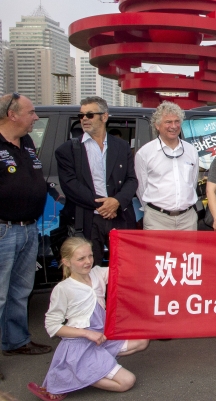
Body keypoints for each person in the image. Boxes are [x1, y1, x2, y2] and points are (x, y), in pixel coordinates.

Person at [27, 237, 149, 400]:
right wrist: (86, 333)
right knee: (127, 381)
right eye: (81, 258)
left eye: (90, 256)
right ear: (67, 262)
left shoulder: (97, 272)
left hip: (103, 338)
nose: (88, 262)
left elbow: (124, 270)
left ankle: (91, 365)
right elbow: (52, 326)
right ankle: (78, 372)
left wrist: (140, 251)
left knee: (142, 341)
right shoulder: (63, 288)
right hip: (81, 344)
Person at [0, 93, 52, 379]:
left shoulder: (28, 142)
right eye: (31, 113)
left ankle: (16, 341)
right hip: (4, 229)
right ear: (12, 114)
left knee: (20, 291)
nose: (35, 117)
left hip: (29, 227)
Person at [55, 97, 138, 266]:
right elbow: (70, 185)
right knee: (90, 270)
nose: (84, 118)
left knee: (125, 267)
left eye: (90, 114)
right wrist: (103, 206)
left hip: (119, 217)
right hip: (87, 219)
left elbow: (132, 179)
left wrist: (116, 202)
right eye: (81, 115)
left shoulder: (122, 147)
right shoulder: (67, 150)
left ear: (104, 117)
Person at [135, 101, 199, 230]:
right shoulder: (145, 153)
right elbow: (141, 187)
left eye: (177, 121)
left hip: (187, 219)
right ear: (157, 125)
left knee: (188, 251)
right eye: (168, 122)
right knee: (156, 251)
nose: (173, 126)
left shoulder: (191, 150)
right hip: (157, 220)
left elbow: (193, 182)